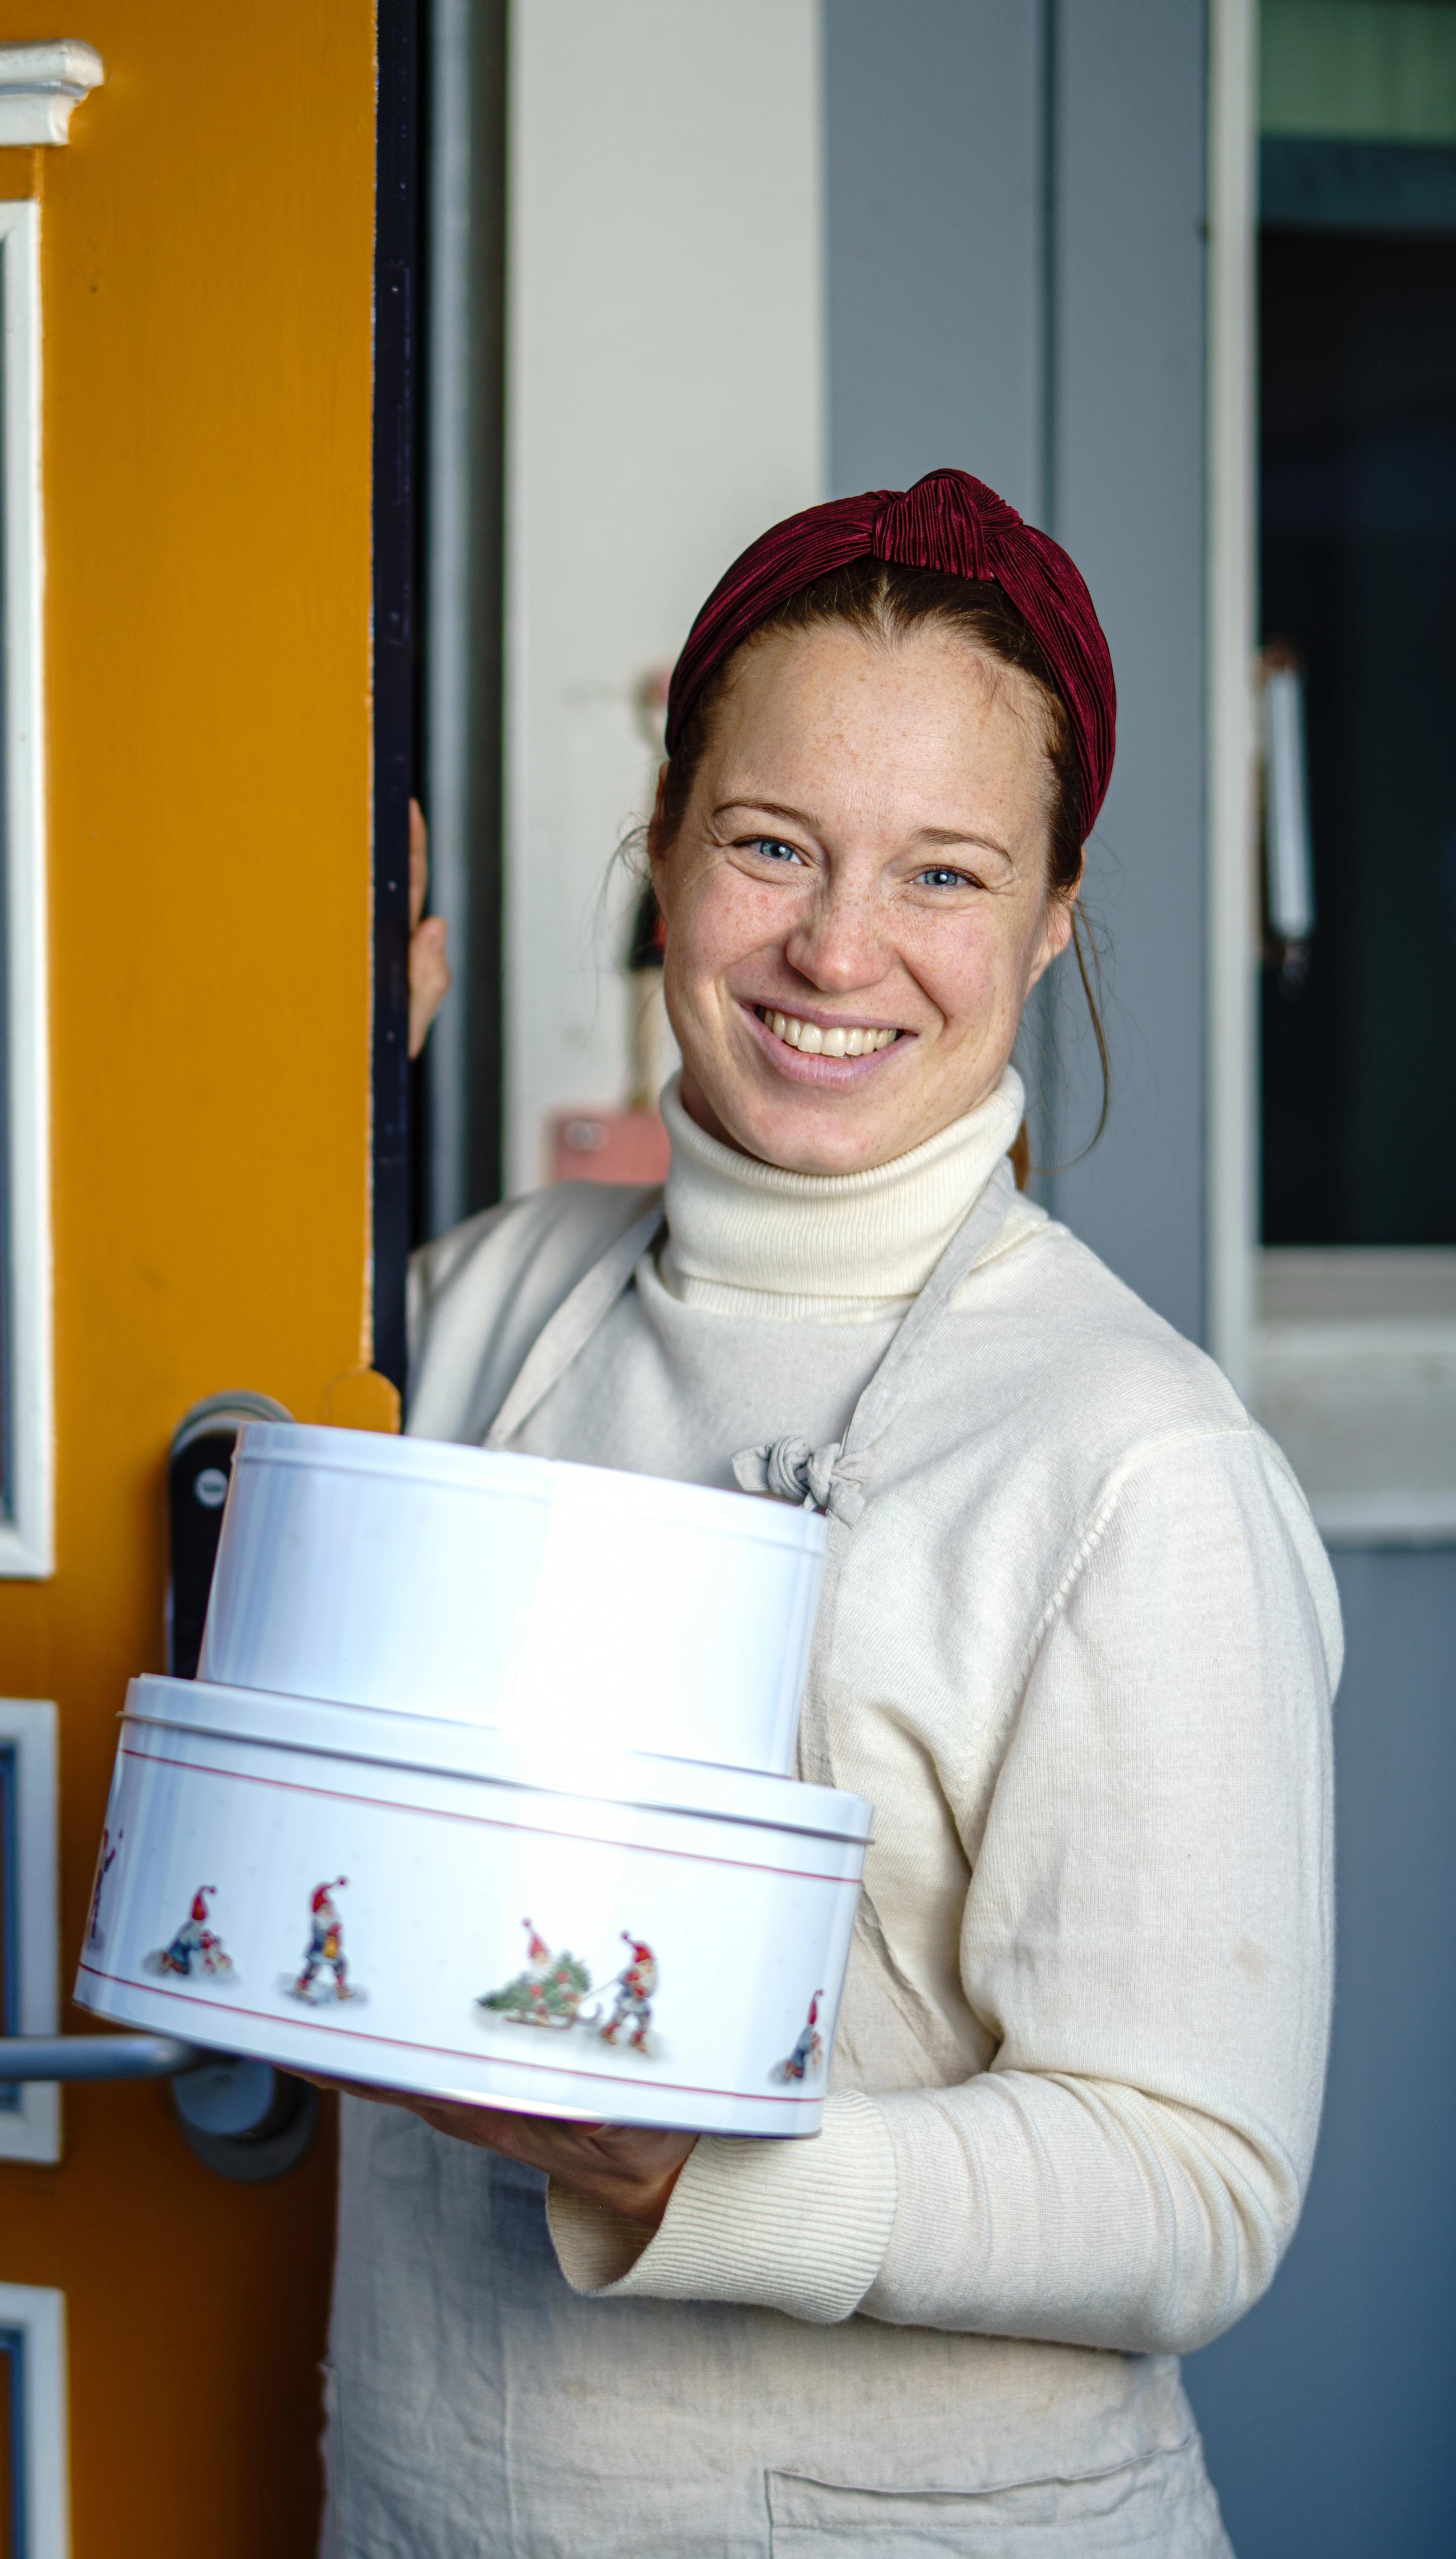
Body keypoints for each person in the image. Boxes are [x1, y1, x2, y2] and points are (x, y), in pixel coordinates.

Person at [325, 470, 1339, 2556]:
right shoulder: (487, 1299)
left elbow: (1197, 2190)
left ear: (1054, 917)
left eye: (945, 876)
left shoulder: (1136, 1458)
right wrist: (307, 1086)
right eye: (769, 843)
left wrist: (698, 2176)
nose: (835, 948)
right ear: (665, 846)